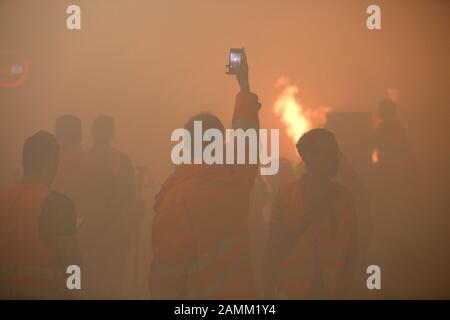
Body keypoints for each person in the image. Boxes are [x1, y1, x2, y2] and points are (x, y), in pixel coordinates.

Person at [149, 50, 261, 299]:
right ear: (220, 143)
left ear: (186, 146)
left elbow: (168, 271)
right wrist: (244, 87)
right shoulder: (236, 181)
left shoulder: (177, 197)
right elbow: (247, 138)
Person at [264, 128, 357, 299]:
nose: (335, 159)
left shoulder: (346, 199)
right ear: (309, 157)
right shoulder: (285, 197)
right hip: (294, 293)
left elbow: (356, 250)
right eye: (327, 153)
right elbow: (272, 250)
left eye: (335, 153)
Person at [0, 131, 81, 299]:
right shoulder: (57, 204)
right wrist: (75, 291)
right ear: (49, 163)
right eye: (57, 162)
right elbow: (73, 262)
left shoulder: (3, 198)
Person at [85, 115, 137, 298]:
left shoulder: (85, 161)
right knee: (111, 281)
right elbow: (132, 198)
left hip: (97, 233)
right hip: (109, 233)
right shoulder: (121, 160)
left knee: (94, 281)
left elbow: (130, 197)